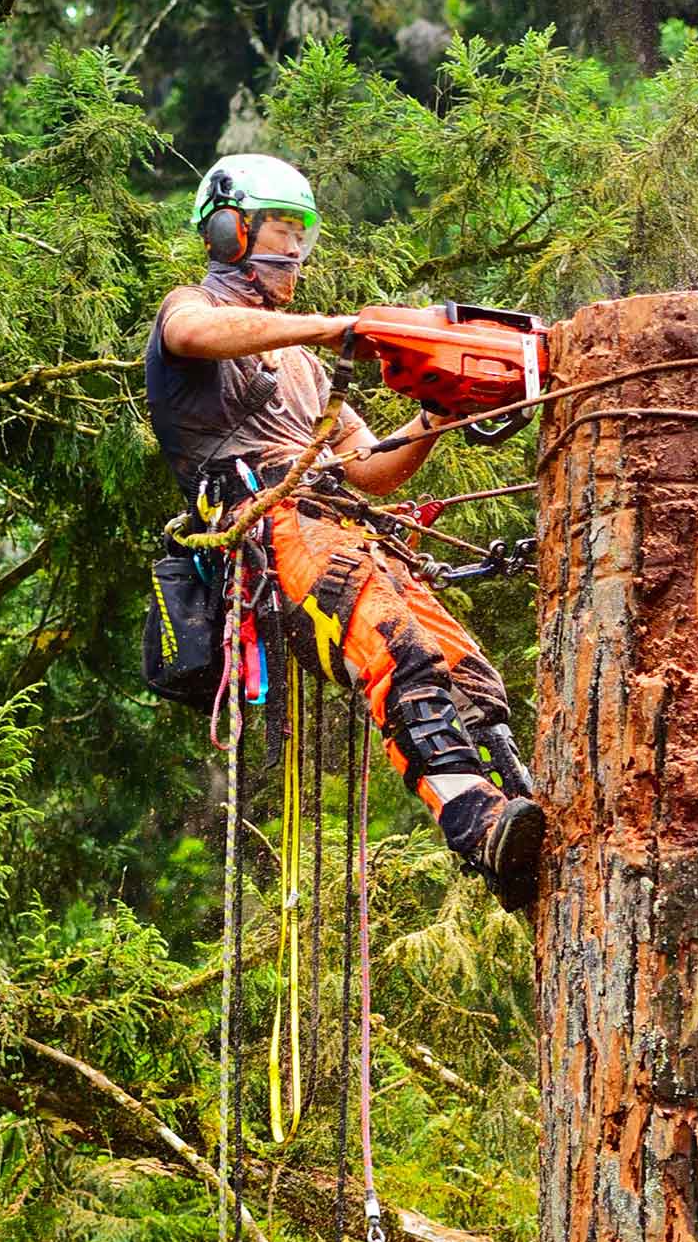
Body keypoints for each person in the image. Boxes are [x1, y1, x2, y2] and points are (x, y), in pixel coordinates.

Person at [145, 152, 544, 913]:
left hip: (344, 526)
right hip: (271, 526)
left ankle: (525, 817)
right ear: (229, 230)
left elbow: (368, 469)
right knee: (398, 649)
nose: (292, 249)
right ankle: (474, 821)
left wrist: (436, 412)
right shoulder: (192, 310)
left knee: (471, 675)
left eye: (301, 232)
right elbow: (197, 334)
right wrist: (338, 329)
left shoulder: (302, 360)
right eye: (278, 228)